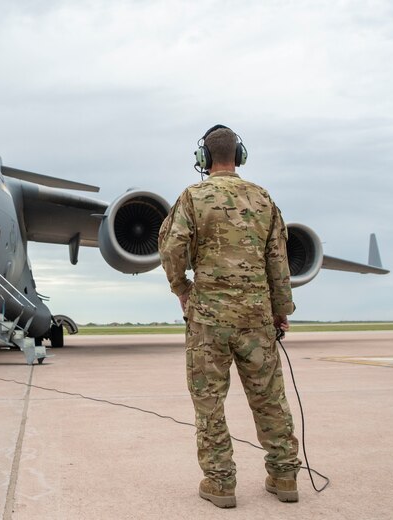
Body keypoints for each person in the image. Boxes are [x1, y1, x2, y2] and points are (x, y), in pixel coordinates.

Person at [158, 125, 302, 508]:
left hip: (208, 319)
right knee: (270, 398)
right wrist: (281, 310)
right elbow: (278, 260)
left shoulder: (193, 197)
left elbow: (172, 248)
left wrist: (182, 289)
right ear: (239, 156)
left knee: (210, 403)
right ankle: (285, 476)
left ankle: (221, 484)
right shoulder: (262, 198)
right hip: (257, 317)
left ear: (203, 160)